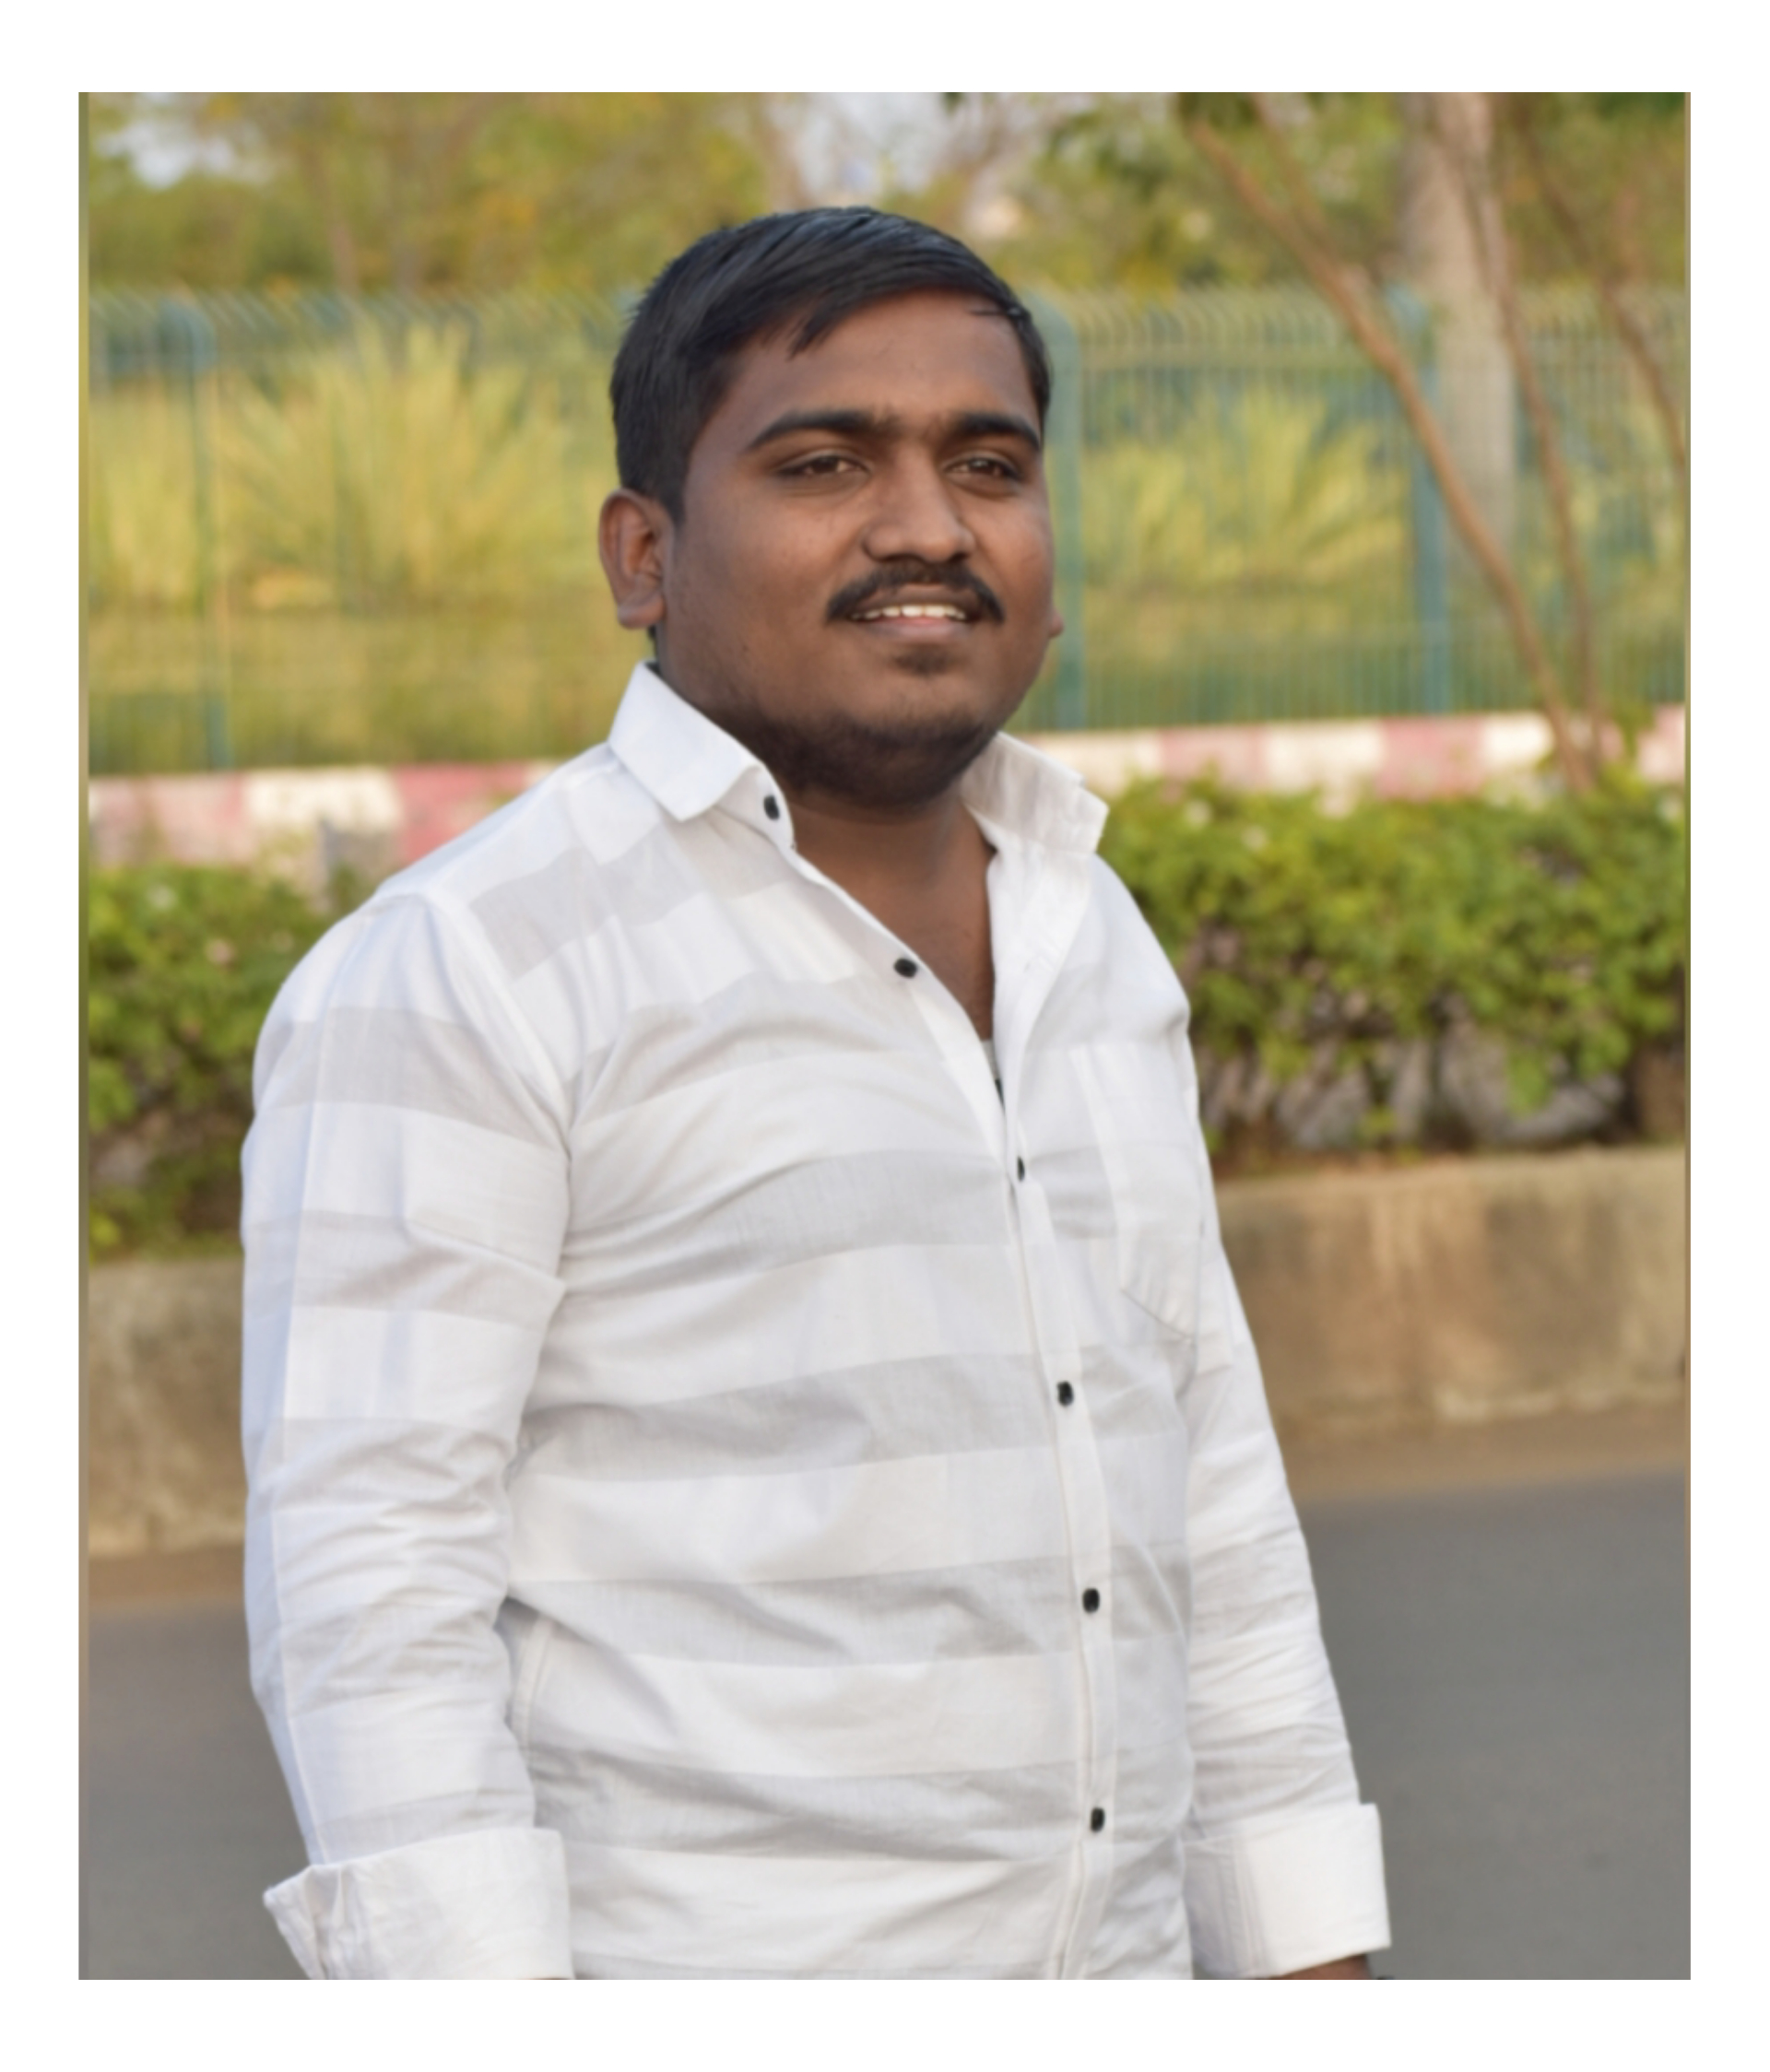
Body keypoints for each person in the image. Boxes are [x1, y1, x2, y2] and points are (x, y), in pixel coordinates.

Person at [242, 206, 1391, 1981]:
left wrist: (1308, 1955)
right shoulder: (474, 966)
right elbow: (372, 1592)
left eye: (988, 464)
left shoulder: (1090, 933)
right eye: (825, 462)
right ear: (644, 554)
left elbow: (1208, 1497)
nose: (928, 525)